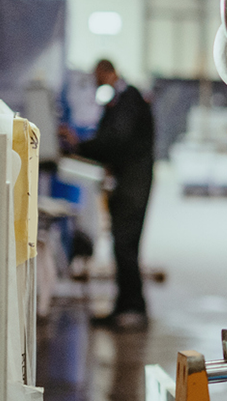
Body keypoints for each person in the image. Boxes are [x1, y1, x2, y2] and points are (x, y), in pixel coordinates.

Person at [68, 59, 156, 330]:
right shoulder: (121, 100)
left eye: (98, 78)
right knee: (122, 245)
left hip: (133, 183)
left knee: (126, 245)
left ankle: (133, 309)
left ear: (109, 73)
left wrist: (79, 147)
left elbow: (116, 140)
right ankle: (123, 306)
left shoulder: (129, 99)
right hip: (126, 182)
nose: (97, 84)